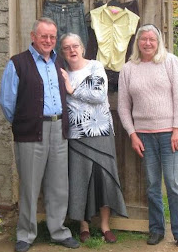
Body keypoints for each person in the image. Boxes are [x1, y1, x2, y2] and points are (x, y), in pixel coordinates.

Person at [0, 17, 80, 252]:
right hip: (31, 132)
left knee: (58, 186)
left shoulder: (58, 63)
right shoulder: (17, 63)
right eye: (43, 36)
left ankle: (58, 231)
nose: (48, 40)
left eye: (52, 37)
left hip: (58, 130)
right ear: (33, 36)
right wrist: (27, 122)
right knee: (30, 186)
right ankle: (25, 234)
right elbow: (7, 103)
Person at [117, 24, 178, 250]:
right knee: (152, 184)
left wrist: (177, 128)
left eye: (152, 39)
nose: (148, 43)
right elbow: (123, 106)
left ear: (158, 41)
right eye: (144, 40)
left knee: (173, 183)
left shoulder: (170, 62)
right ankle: (156, 229)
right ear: (137, 43)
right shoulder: (129, 69)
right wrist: (132, 134)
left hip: (170, 134)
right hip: (144, 136)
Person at [59, 33, 128, 244]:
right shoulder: (61, 73)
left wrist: (72, 90)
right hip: (76, 135)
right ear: (62, 52)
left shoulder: (96, 66)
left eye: (75, 46)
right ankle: (83, 225)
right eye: (67, 47)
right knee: (81, 180)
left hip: (101, 132)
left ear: (82, 48)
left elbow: (98, 95)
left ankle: (105, 226)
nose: (72, 50)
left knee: (104, 178)